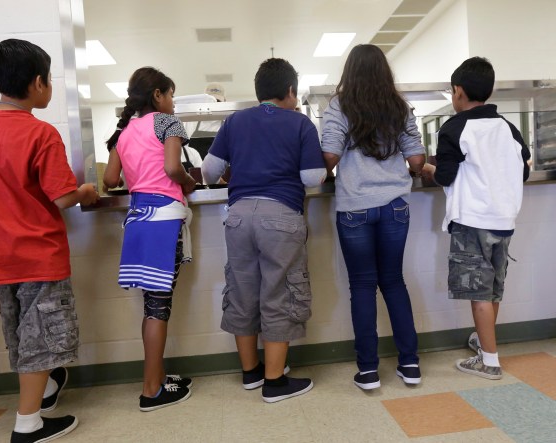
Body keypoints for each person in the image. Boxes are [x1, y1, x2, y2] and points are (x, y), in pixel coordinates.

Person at [0, 39, 98, 443]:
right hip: (36, 254)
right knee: (41, 338)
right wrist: (87, 191)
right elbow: (62, 198)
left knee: (20, 333)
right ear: (39, 82)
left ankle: (42, 393)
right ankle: (28, 426)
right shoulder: (40, 133)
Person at [201, 58, 326, 403]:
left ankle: (251, 373)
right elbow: (311, 178)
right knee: (279, 294)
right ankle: (275, 382)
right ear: (290, 91)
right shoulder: (300, 124)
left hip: (238, 216)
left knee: (242, 292)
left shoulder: (234, 121)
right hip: (281, 216)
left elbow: (208, 173)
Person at [320, 44, 426, 391]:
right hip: (395, 204)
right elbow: (416, 159)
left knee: (362, 286)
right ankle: (410, 364)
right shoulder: (398, 106)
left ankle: (368, 371)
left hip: (355, 208)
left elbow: (329, 157)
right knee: (394, 281)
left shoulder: (339, 106)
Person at [422, 57, 530, 380]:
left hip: (472, 222)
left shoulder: (454, 128)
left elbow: (444, 176)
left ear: (458, 92)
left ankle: (490, 361)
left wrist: (427, 169)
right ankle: (485, 346)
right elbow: (524, 170)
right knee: (493, 290)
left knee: (478, 292)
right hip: (504, 221)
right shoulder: (508, 128)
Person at [103, 66, 197, 412]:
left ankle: (156, 376)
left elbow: (110, 180)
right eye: (170, 94)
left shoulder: (124, 131)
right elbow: (174, 169)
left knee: (152, 306)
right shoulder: (167, 123)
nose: (172, 101)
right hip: (164, 222)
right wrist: (188, 183)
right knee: (159, 308)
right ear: (157, 94)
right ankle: (151, 390)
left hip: (138, 221)